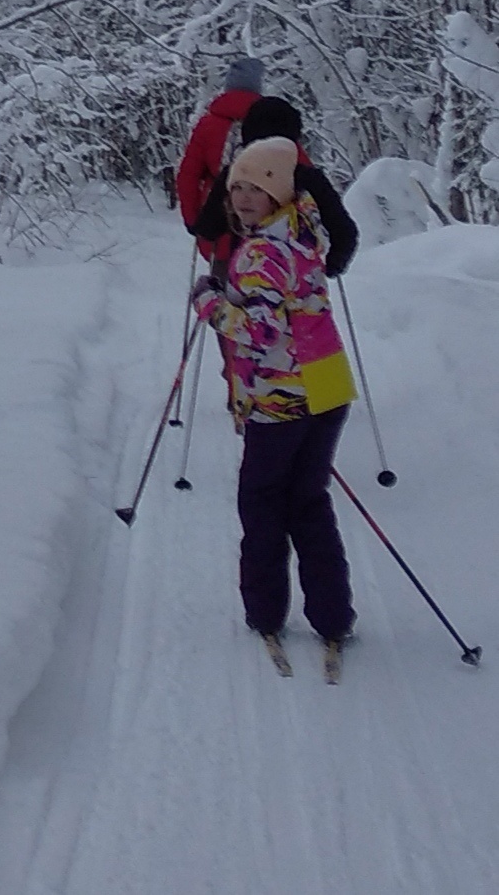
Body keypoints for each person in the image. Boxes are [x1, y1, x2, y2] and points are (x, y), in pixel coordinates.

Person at [191, 137, 357, 643]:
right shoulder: (307, 235)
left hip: (283, 394)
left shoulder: (261, 251)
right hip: (328, 385)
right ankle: (332, 616)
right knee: (309, 501)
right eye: (237, 186)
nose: (242, 198)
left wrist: (209, 303)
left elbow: (261, 332)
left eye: (256, 188)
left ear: (279, 193)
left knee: (262, 502)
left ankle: (265, 613)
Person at [192, 96, 359, 279]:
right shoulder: (308, 177)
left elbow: (208, 227)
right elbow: (345, 231)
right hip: (302, 285)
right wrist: (334, 264)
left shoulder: (237, 175)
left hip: (248, 278)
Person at [176, 56, 265, 278]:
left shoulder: (208, 124)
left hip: (216, 224)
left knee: (222, 290)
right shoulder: (272, 123)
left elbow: (188, 175)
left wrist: (193, 218)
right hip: (266, 225)